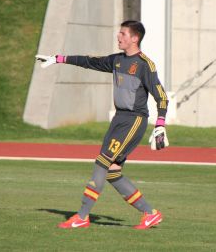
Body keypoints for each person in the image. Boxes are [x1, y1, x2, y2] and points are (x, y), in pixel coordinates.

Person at [36, 20, 169, 229]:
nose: (118, 36)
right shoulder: (117, 60)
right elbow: (90, 61)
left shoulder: (145, 65)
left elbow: (161, 96)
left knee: (101, 163)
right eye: (119, 33)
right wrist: (59, 59)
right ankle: (150, 213)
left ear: (135, 38)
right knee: (112, 172)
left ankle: (81, 216)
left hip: (133, 121)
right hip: (118, 120)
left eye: (123, 34)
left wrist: (160, 124)